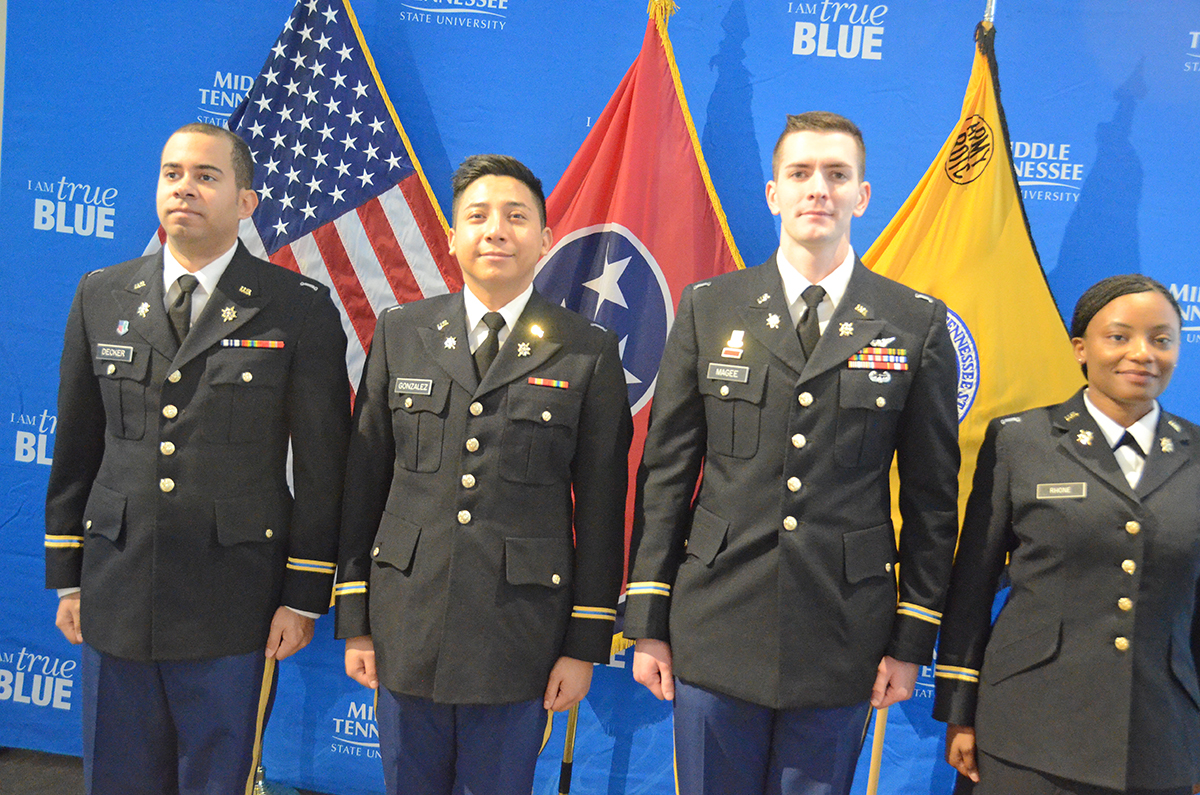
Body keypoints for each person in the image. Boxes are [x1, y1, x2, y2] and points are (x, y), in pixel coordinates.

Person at [623, 111, 961, 795]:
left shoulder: (914, 322)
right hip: (718, 619)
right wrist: (649, 621)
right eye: (801, 173)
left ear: (862, 196)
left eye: (837, 175)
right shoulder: (709, 308)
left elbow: (932, 500)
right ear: (773, 192)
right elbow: (665, 477)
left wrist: (909, 639)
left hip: (843, 628)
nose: (819, 189)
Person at [44, 122, 351, 795]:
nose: (184, 186)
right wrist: (69, 575)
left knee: (216, 779)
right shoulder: (101, 294)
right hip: (117, 586)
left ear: (246, 201)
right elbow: (75, 448)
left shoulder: (296, 309)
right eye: (172, 172)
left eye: (206, 176)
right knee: (116, 778)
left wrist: (304, 593)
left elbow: (326, 466)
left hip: (234, 596)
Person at [333, 154, 632, 795]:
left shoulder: (586, 350)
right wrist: (355, 615)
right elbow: (365, 483)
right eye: (477, 216)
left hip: (518, 632)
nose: (495, 229)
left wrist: (585, 642)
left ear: (545, 239)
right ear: (452, 237)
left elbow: (604, 507)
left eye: (516, 216)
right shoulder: (401, 333)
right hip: (406, 623)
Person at [934, 274, 1200, 794]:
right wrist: (960, 711)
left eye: (1162, 339)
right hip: (1026, 732)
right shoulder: (1021, 441)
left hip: (1159, 736)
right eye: (1119, 337)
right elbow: (973, 585)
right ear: (1081, 348)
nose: (1142, 354)